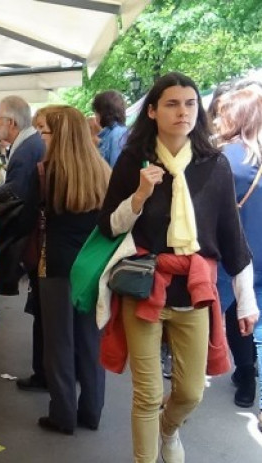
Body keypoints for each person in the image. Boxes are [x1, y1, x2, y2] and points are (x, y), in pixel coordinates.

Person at [98, 72, 259, 462]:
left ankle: (169, 431)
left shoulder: (213, 165)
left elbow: (231, 237)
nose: (183, 111)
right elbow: (108, 226)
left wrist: (246, 300)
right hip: (144, 284)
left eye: (190, 103)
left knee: (190, 392)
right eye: (171, 103)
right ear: (152, 111)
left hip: (194, 289)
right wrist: (139, 194)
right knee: (147, 394)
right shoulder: (133, 162)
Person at [27, 105, 110, 435]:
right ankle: (92, 410)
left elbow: (32, 215)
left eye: (44, 131)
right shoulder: (102, 169)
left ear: (59, 133)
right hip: (92, 265)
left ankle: (62, 414)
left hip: (57, 265)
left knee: (59, 344)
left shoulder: (49, 170)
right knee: (91, 341)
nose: (41, 137)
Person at [0, 95, 47, 393]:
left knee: (43, 313)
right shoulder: (28, 146)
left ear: (12, 122)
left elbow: (13, 200)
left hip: (33, 238)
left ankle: (44, 373)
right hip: (37, 237)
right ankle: (46, 372)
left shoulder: (27, 148)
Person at [214, 85, 262, 421]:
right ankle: (245, 375)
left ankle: (247, 375)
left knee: (239, 318)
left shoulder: (226, 159)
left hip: (241, 253)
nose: (217, 121)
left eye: (222, 114)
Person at [92, 90, 128, 167]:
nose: (95, 116)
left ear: (103, 112)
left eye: (96, 111)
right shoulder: (111, 134)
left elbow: (115, 171)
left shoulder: (116, 135)